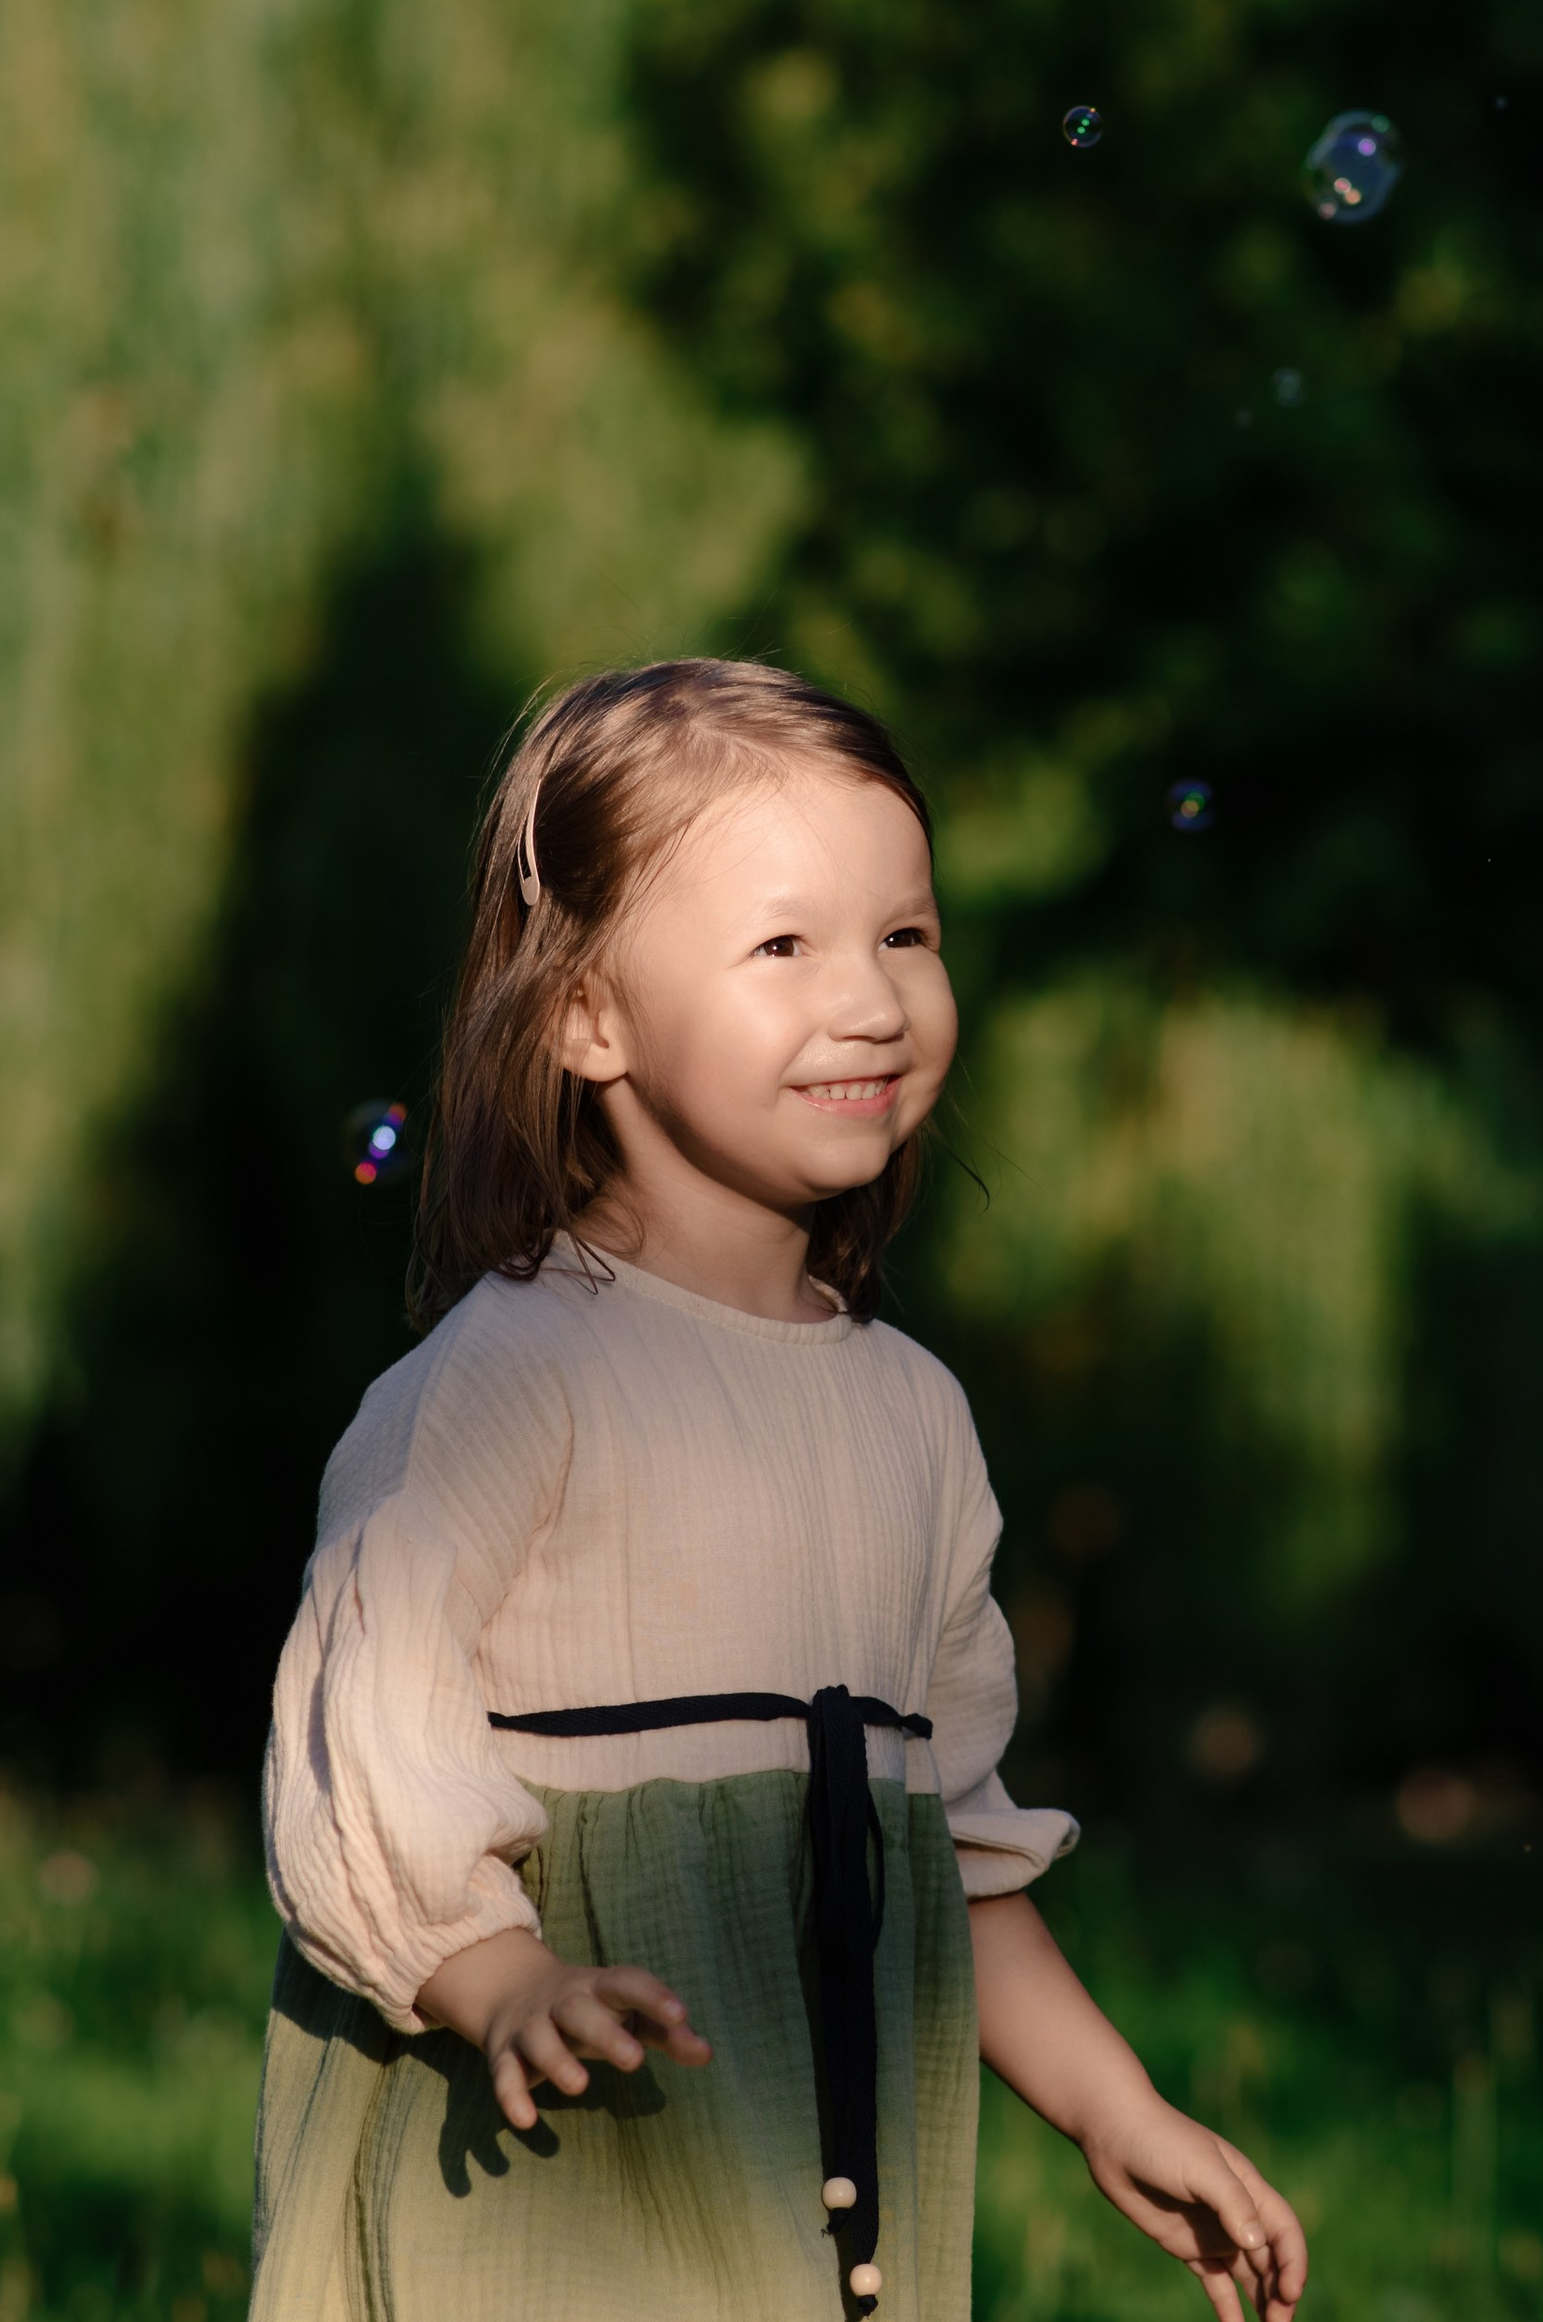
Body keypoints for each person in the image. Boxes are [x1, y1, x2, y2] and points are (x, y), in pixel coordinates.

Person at [250, 661, 1308, 2322]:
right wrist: (501, 1977)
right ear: (586, 1015)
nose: (874, 1000)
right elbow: (359, 1743)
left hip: (804, 2190)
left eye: (907, 934)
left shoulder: (913, 1417)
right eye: (784, 946)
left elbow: (947, 1839)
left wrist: (1121, 2110)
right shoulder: (509, 1381)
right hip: (554, 2168)